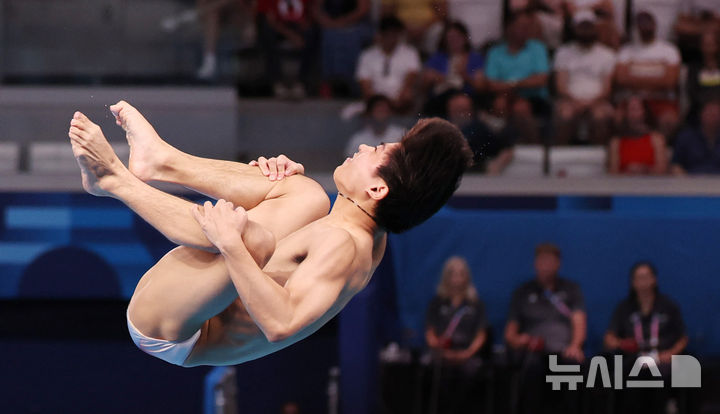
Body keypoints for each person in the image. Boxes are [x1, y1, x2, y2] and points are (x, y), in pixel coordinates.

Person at [66, 101, 472, 367]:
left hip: (176, 329)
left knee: (254, 240)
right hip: (195, 302)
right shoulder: (363, 225)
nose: (364, 149)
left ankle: (113, 180)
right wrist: (267, 185)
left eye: (376, 152)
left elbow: (282, 323)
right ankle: (161, 161)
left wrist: (233, 244)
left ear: (377, 189)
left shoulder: (345, 245)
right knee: (301, 189)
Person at [504, 242, 586, 414]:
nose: (546, 266)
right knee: (531, 369)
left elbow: (579, 322)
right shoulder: (523, 292)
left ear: (558, 264)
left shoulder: (571, 290)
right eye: (542, 262)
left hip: (563, 351)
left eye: (550, 262)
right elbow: (510, 333)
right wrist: (520, 340)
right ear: (535, 264)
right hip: (533, 351)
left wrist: (575, 345)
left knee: (573, 366)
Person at [604, 261, 688, 414]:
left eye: (646, 277)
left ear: (654, 279)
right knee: (629, 375)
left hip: (662, 358)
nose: (643, 282)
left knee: (660, 375)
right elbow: (610, 337)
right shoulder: (624, 307)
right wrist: (621, 343)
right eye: (638, 278)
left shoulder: (668, 305)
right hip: (634, 358)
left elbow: (683, 338)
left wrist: (671, 353)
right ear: (633, 282)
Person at [425, 256, 487, 414]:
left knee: (470, 374)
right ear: (446, 276)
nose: (457, 278)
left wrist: (467, 353)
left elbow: (481, 334)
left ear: (467, 276)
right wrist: (439, 348)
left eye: (461, 273)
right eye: (453, 273)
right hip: (442, 353)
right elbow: (430, 333)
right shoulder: (437, 302)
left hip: (467, 353)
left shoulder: (475, 304)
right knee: (437, 374)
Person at [485, 10, 551, 143]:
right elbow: (491, 84)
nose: (526, 30)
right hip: (504, 96)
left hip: (534, 97)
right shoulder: (495, 52)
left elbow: (541, 79)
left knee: (520, 108)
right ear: (509, 28)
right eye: (522, 26)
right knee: (500, 104)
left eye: (528, 27)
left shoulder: (538, 48)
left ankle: (534, 148)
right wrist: (521, 83)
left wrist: (511, 84)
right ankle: (502, 148)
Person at [553, 10, 616, 145]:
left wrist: (589, 103)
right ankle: (561, 156)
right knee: (565, 115)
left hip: (598, 100)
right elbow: (561, 85)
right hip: (569, 99)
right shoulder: (563, 52)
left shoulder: (607, 54)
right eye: (582, 27)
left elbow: (607, 88)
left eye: (589, 26)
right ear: (575, 29)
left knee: (600, 117)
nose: (586, 30)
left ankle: (599, 156)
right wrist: (576, 102)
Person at [615, 11, 681, 140]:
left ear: (655, 25)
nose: (645, 27)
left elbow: (669, 82)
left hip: (661, 99)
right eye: (641, 24)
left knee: (669, 120)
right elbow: (621, 79)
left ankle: (659, 151)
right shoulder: (626, 51)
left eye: (648, 23)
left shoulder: (669, 50)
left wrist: (634, 81)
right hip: (631, 100)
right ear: (636, 27)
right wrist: (657, 81)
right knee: (617, 117)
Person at [356, 16, 422, 112]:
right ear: (380, 35)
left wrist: (395, 102)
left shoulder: (410, 53)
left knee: (408, 96)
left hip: (399, 101)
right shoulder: (367, 55)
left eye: (394, 35)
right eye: (388, 35)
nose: (391, 39)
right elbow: (366, 87)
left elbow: (410, 82)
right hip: (375, 101)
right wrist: (380, 104)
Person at [257, 0, 320, 99]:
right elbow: (270, 20)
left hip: (298, 27)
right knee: (266, 31)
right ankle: (277, 83)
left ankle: (301, 83)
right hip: (278, 29)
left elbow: (312, 12)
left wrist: (307, 24)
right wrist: (291, 35)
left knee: (313, 33)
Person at [422, 21, 485, 117]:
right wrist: (434, 78)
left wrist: (465, 76)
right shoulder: (437, 58)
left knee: (460, 103)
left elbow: (480, 86)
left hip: (466, 95)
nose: (454, 41)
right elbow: (424, 84)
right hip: (440, 97)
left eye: (457, 37)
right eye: (450, 38)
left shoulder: (475, 58)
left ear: (465, 38)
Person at [445, 92, 515, 174]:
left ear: (471, 110)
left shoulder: (479, 128)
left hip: (475, 172)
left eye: (465, 109)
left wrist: (496, 166)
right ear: (449, 109)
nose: (461, 113)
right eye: (458, 109)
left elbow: (504, 148)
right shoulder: (440, 126)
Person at [313, 0, 372, 96]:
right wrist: (327, 22)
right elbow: (315, 9)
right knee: (328, 36)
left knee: (351, 37)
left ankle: (351, 83)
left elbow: (363, 9)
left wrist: (342, 21)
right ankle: (330, 82)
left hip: (356, 24)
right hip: (330, 25)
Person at [196, 0, 256, 80]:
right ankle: (209, 61)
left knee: (250, 29)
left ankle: (250, 66)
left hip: (240, 12)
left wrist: (209, 8)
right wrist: (204, 9)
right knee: (212, 17)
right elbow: (201, 7)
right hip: (218, 15)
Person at [608, 95, 667, 175]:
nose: (633, 114)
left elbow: (662, 171)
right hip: (623, 184)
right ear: (626, 113)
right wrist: (628, 172)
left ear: (644, 112)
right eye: (631, 109)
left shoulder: (657, 139)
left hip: (651, 184)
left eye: (637, 109)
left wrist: (645, 169)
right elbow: (613, 173)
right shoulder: (616, 142)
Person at [671, 99, 720, 175]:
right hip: (691, 182)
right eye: (710, 112)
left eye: (717, 113)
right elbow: (675, 165)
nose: (714, 116)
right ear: (701, 114)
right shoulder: (686, 137)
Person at [686, 30, 720, 123]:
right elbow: (692, 91)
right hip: (699, 109)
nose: (708, 47)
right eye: (706, 44)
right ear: (701, 46)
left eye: (711, 44)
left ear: (717, 46)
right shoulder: (694, 68)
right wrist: (707, 106)